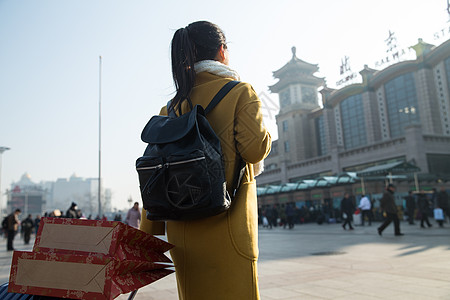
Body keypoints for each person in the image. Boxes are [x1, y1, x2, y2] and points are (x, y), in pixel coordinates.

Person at [139, 21, 271, 300]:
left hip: (182, 233)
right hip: (227, 225)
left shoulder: (171, 107)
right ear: (222, 51)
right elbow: (254, 151)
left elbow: (157, 167)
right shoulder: (239, 92)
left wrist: (149, 230)